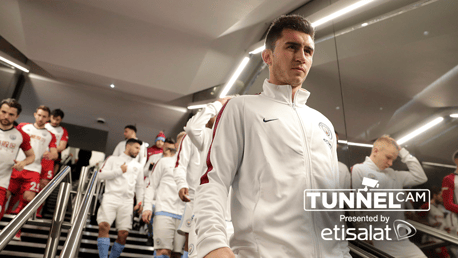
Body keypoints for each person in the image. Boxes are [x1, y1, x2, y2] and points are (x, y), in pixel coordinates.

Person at [194, 14, 350, 258]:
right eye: (292, 47)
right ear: (267, 56)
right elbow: (213, 180)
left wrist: (342, 251)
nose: (301, 57)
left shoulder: (323, 124)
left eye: (308, 51)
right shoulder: (241, 108)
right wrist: (212, 244)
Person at [352, 135, 428, 258]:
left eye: (393, 159)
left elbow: (420, 177)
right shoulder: (360, 169)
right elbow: (355, 205)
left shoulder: (394, 175)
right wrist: (363, 232)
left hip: (402, 241)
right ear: (376, 151)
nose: (390, 163)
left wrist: (402, 151)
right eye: (388, 157)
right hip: (377, 241)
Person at [175, 98, 231, 258]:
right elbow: (192, 128)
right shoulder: (205, 135)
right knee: (197, 252)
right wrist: (217, 103)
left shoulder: (241, 138)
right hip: (201, 202)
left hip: (233, 213)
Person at [7, 105, 58, 239]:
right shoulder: (23, 126)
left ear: (48, 119)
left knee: (29, 199)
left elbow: (54, 152)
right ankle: (6, 217)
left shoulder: (50, 135)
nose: (41, 118)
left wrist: (52, 155)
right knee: (5, 196)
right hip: (16, 166)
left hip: (34, 170)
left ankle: (16, 227)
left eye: (44, 116)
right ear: (35, 114)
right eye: (39, 115)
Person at [97, 138, 144, 258]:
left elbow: (139, 186)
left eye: (140, 148)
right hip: (110, 197)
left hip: (127, 202)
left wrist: (139, 202)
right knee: (103, 226)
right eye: (137, 147)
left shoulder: (138, 166)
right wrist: (119, 171)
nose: (139, 151)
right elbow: (100, 175)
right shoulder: (112, 159)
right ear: (128, 146)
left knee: (123, 234)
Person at [142, 137, 185, 258]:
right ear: (177, 145)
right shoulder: (164, 162)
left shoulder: (196, 166)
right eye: (184, 141)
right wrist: (147, 207)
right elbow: (151, 185)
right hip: (164, 211)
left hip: (184, 214)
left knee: (177, 255)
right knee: (163, 252)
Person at [0, 99, 35, 221]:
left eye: (11, 114)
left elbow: (31, 156)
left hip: (2, 182)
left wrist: (23, 163)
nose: (6, 116)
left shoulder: (21, 135)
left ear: (17, 116)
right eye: (3, 112)